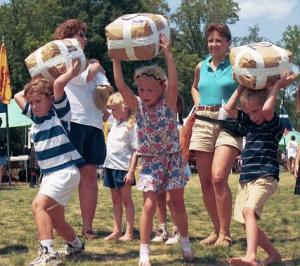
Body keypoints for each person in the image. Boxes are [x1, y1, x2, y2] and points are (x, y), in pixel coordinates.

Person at [112, 34, 194, 265]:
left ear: (161, 87)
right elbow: (120, 85)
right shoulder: (137, 106)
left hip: (172, 159)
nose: (145, 94)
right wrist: (116, 60)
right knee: (149, 205)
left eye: (150, 90)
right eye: (142, 89)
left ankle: (186, 245)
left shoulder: (168, 104)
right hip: (149, 162)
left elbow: (175, 83)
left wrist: (167, 54)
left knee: (176, 203)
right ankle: (144, 253)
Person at [14, 62, 85, 266]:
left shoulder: (59, 114)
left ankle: (48, 253)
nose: (34, 106)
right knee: (55, 216)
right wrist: (37, 76)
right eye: (32, 102)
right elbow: (18, 96)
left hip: (64, 171)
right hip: (51, 175)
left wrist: (67, 73)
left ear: (50, 100)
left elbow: (59, 86)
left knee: (38, 206)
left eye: (38, 101)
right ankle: (75, 245)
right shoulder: (36, 118)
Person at [223, 72, 297, 266]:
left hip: (265, 176)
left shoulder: (274, 125)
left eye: (255, 111)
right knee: (245, 219)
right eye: (249, 112)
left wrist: (276, 87)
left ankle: (251, 256)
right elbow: (229, 108)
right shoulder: (249, 123)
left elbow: (266, 109)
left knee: (248, 211)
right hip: (246, 178)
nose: (253, 116)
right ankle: (274, 255)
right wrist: (241, 85)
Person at [53, 19, 111, 240]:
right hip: (73, 120)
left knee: (88, 175)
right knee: (67, 175)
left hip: (94, 122)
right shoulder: (64, 57)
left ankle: (88, 228)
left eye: (85, 34)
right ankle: (56, 223)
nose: (85, 38)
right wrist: (95, 66)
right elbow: (80, 79)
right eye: (81, 34)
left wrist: (105, 105)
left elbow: (105, 87)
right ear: (68, 36)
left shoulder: (89, 60)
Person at [189, 23, 242, 247]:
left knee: (219, 177)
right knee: (205, 181)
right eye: (210, 40)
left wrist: (232, 106)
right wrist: (198, 103)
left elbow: (246, 87)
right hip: (203, 122)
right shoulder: (201, 66)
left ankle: (226, 234)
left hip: (229, 124)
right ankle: (216, 230)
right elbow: (194, 87)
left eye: (219, 40)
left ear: (228, 43)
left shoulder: (236, 65)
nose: (214, 44)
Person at [103, 92, 138, 241]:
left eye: (114, 109)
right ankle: (117, 230)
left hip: (123, 169)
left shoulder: (131, 126)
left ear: (124, 107)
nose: (112, 112)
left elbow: (136, 150)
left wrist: (131, 172)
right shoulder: (114, 125)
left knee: (126, 200)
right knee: (115, 200)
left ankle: (129, 232)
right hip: (110, 167)